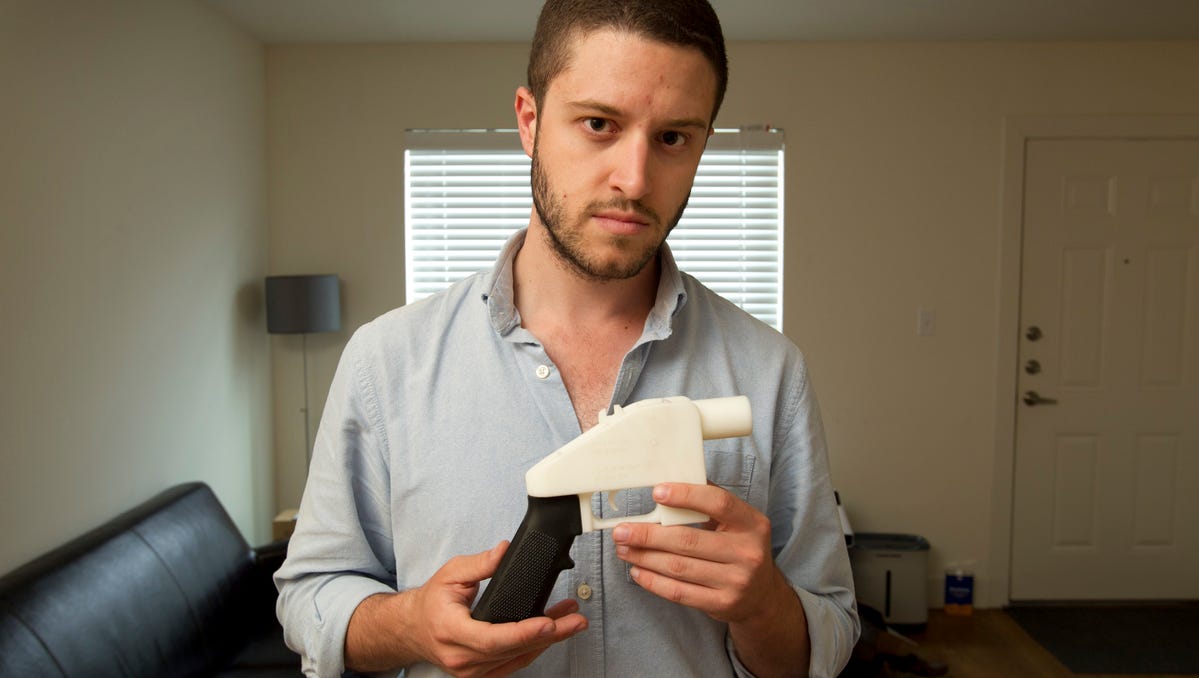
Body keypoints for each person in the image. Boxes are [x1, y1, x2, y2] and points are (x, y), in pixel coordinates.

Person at [274, 0, 860, 676]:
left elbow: (829, 630)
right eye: (598, 124)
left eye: (674, 138)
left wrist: (764, 607)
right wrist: (409, 627)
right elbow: (311, 595)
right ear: (529, 121)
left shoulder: (771, 374)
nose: (634, 180)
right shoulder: (385, 364)